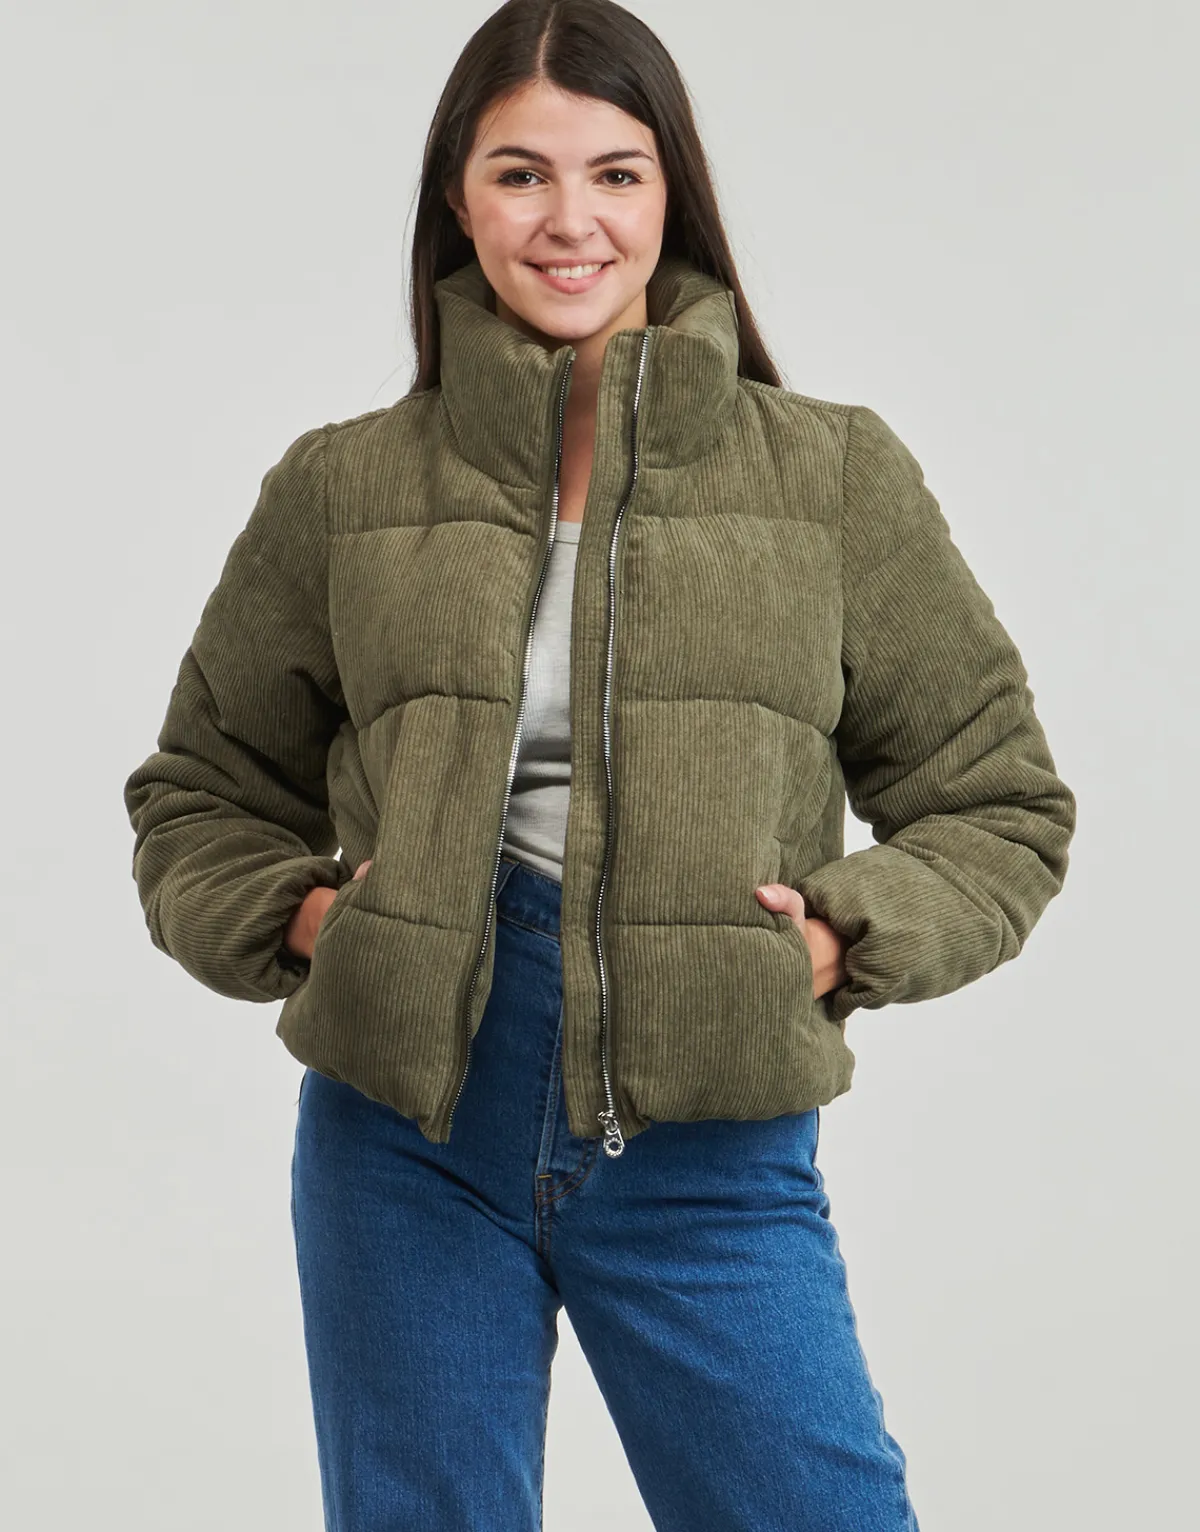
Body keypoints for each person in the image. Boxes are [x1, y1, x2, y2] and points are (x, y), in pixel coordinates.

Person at [122, 1, 1077, 1526]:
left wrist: (836, 939)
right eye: (521, 174)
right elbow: (200, 794)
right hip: (407, 1137)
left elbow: (998, 803)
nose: (569, 220)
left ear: (670, 193)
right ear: (459, 198)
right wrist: (310, 923)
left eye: (615, 174)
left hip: (709, 1142)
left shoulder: (831, 474)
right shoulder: (343, 487)